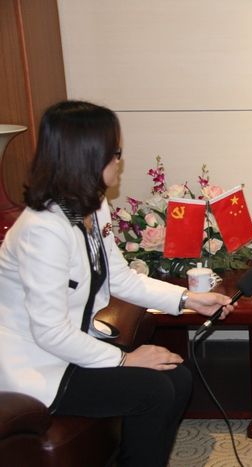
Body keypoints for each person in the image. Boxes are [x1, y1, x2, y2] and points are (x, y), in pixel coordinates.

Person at [0, 100, 235, 467]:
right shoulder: (42, 230)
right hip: (38, 366)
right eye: (115, 153)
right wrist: (125, 359)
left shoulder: (92, 207)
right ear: (88, 157)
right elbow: (48, 331)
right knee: (154, 390)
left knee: (177, 377)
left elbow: (120, 278)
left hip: (71, 350)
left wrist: (189, 299)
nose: (119, 161)